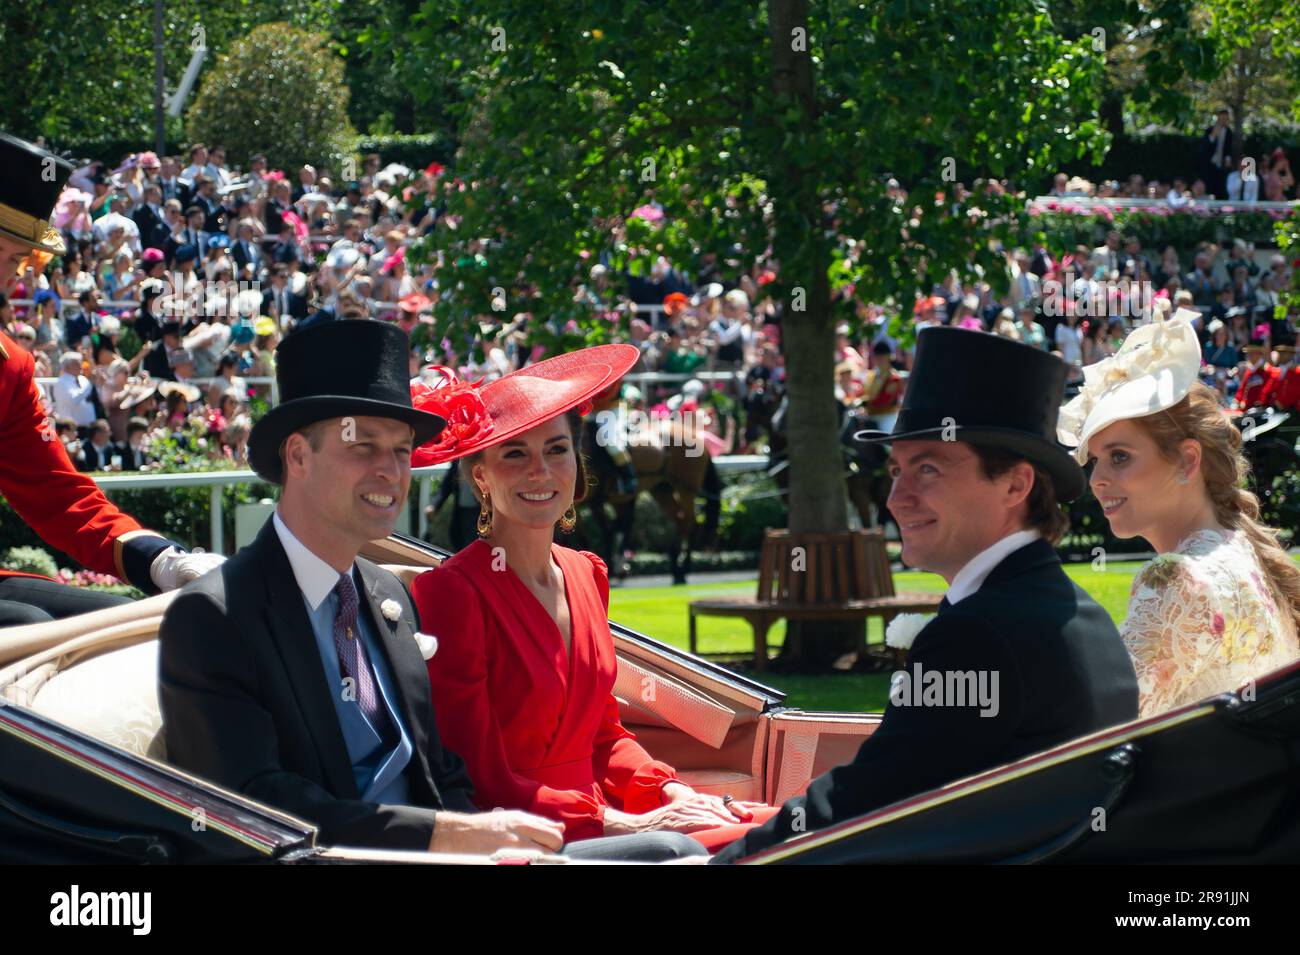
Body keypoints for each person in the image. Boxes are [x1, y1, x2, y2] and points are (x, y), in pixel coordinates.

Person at [157, 322, 701, 861]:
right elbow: (251, 808)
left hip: (469, 852)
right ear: (297, 456)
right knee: (671, 853)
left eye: (400, 450)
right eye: (363, 446)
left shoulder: (382, 592)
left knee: (725, 844)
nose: (390, 471)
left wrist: (486, 838)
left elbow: (442, 770)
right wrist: (451, 835)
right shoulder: (215, 614)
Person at [710, 329, 1139, 863]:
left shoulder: (980, 633)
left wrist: (720, 862)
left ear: (1015, 485)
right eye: (896, 470)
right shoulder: (1074, 613)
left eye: (928, 469)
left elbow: (864, 805)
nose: (896, 498)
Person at [407, 344, 775, 854]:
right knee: (684, 850)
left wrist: (671, 790)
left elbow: (604, 736)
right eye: (516, 454)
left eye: (556, 450)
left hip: (601, 822)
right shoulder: (451, 590)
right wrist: (630, 825)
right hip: (522, 838)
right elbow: (480, 779)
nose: (541, 471)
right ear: (482, 477)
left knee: (774, 825)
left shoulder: (587, 573)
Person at [0, 132, 223, 625]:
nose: (6, 276)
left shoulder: (9, 366)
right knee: (29, 629)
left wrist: (160, 559)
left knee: (134, 626)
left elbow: (60, 494)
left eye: (15, 260)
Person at [1058, 308, 1300, 717]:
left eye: (1119, 456)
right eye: (1094, 459)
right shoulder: (1244, 552)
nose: (1096, 479)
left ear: (1188, 461)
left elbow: (1088, 737)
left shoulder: (1177, 578)